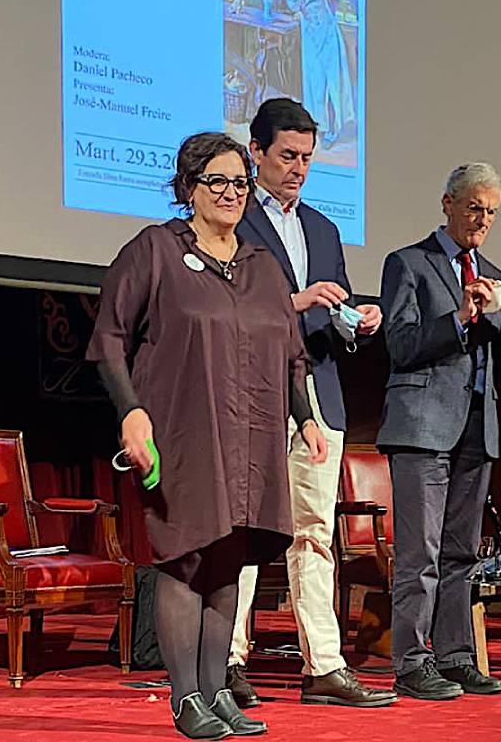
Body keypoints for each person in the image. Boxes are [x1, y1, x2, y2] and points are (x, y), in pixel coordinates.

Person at [87, 132, 327, 739]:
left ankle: (217, 692)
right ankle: (185, 699)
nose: (230, 193)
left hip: (253, 435)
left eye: (240, 183)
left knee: (229, 562)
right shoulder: (156, 251)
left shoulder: (261, 265)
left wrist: (306, 417)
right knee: (186, 556)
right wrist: (130, 412)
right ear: (188, 188)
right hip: (183, 430)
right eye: (215, 181)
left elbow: (292, 355)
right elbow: (111, 337)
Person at [227, 98, 396, 710]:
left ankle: (323, 664)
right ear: (257, 153)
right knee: (244, 532)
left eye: (307, 157)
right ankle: (227, 659)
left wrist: (358, 321)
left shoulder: (323, 228)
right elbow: (228, 311)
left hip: (318, 396)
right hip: (253, 396)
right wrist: (295, 303)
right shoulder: (234, 220)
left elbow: (334, 319)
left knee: (315, 534)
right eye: (287, 156)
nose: (298, 168)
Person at [377, 163, 501, 700]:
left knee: (463, 553)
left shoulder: (494, 273)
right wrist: (460, 319)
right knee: (420, 553)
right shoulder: (408, 264)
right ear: (448, 204)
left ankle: (456, 656)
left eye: (490, 212)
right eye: (474, 208)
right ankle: (412, 661)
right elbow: (399, 345)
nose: (482, 219)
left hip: (476, 429)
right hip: (422, 427)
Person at [278, 0, 355, 148]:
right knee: (315, 81)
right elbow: (294, 6)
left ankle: (335, 127)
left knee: (334, 79)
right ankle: (319, 126)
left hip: (328, 33)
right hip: (310, 37)